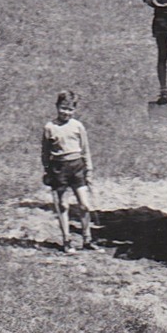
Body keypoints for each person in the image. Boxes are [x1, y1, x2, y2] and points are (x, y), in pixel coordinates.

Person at [40, 91, 96, 253]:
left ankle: (87, 239)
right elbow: (45, 152)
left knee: (85, 205)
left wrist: (89, 170)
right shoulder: (49, 127)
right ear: (57, 107)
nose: (66, 112)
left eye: (70, 109)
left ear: (75, 110)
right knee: (63, 205)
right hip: (59, 169)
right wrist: (47, 171)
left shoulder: (78, 126)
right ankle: (67, 240)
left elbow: (86, 150)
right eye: (63, 108)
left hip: (77, 167)